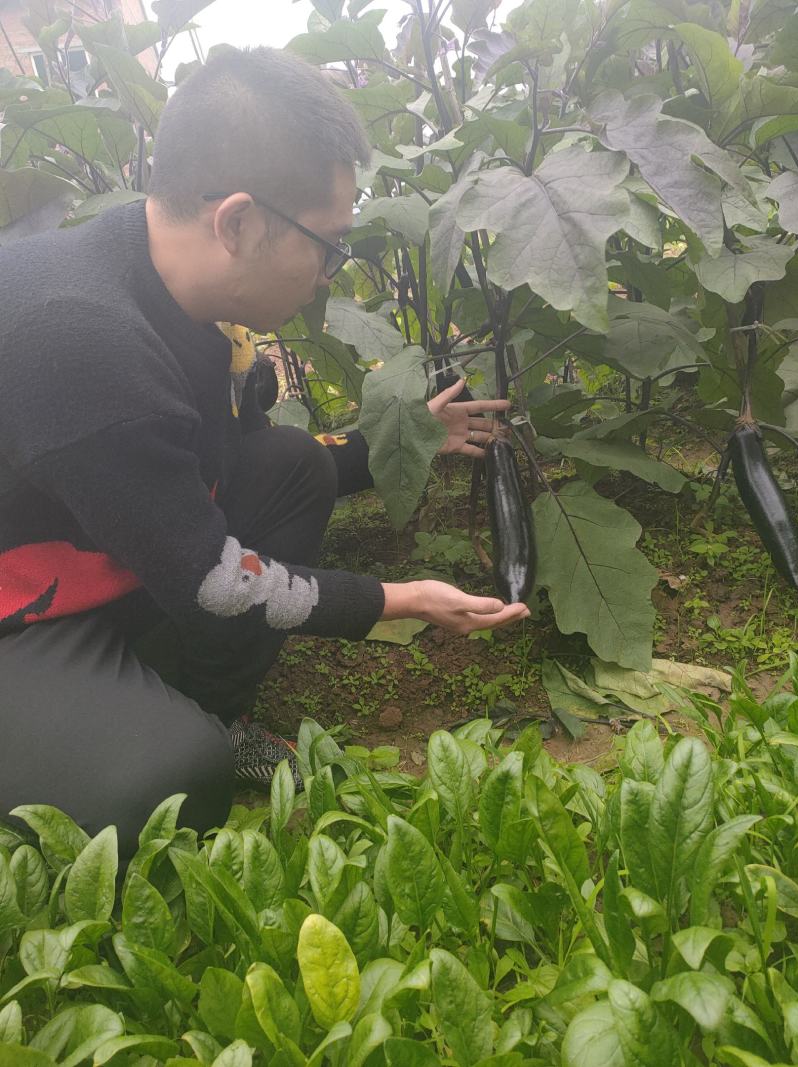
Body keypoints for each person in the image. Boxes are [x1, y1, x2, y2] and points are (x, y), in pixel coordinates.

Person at [0, 46, 529, 860]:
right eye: (329, 244)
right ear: (238, 221)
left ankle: (193, 704)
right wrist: (401, 597)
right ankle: (162, 732)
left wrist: (402, 438)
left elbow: (206, 466)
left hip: (94, 550)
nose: (329, 273)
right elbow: (216, 583)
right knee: (168, 782)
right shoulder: (82, 341)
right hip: (18, 615)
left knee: (293, 465)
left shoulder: (157, 276)